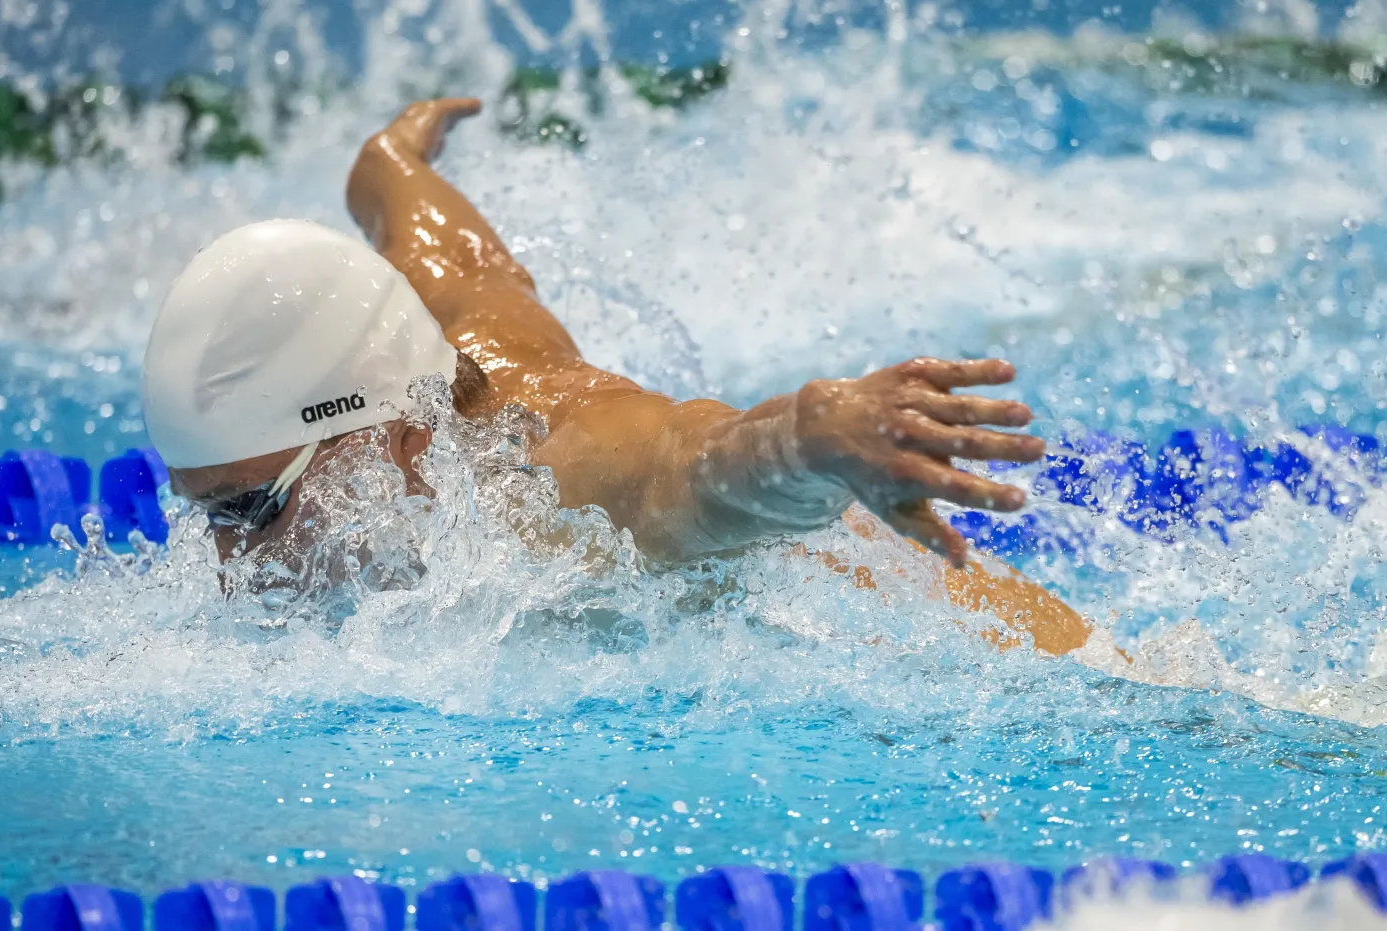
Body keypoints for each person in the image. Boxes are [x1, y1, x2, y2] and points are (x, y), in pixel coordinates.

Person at [143, 97, 1093, 656]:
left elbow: (688, 467)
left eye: (253, 508)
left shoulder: (548, 477)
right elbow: (458, 264)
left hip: (1007, 657)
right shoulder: (432, 343)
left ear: (395, 432)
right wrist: (389, 168)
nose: (232, 564)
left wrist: (809, 434)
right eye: (209, 515)